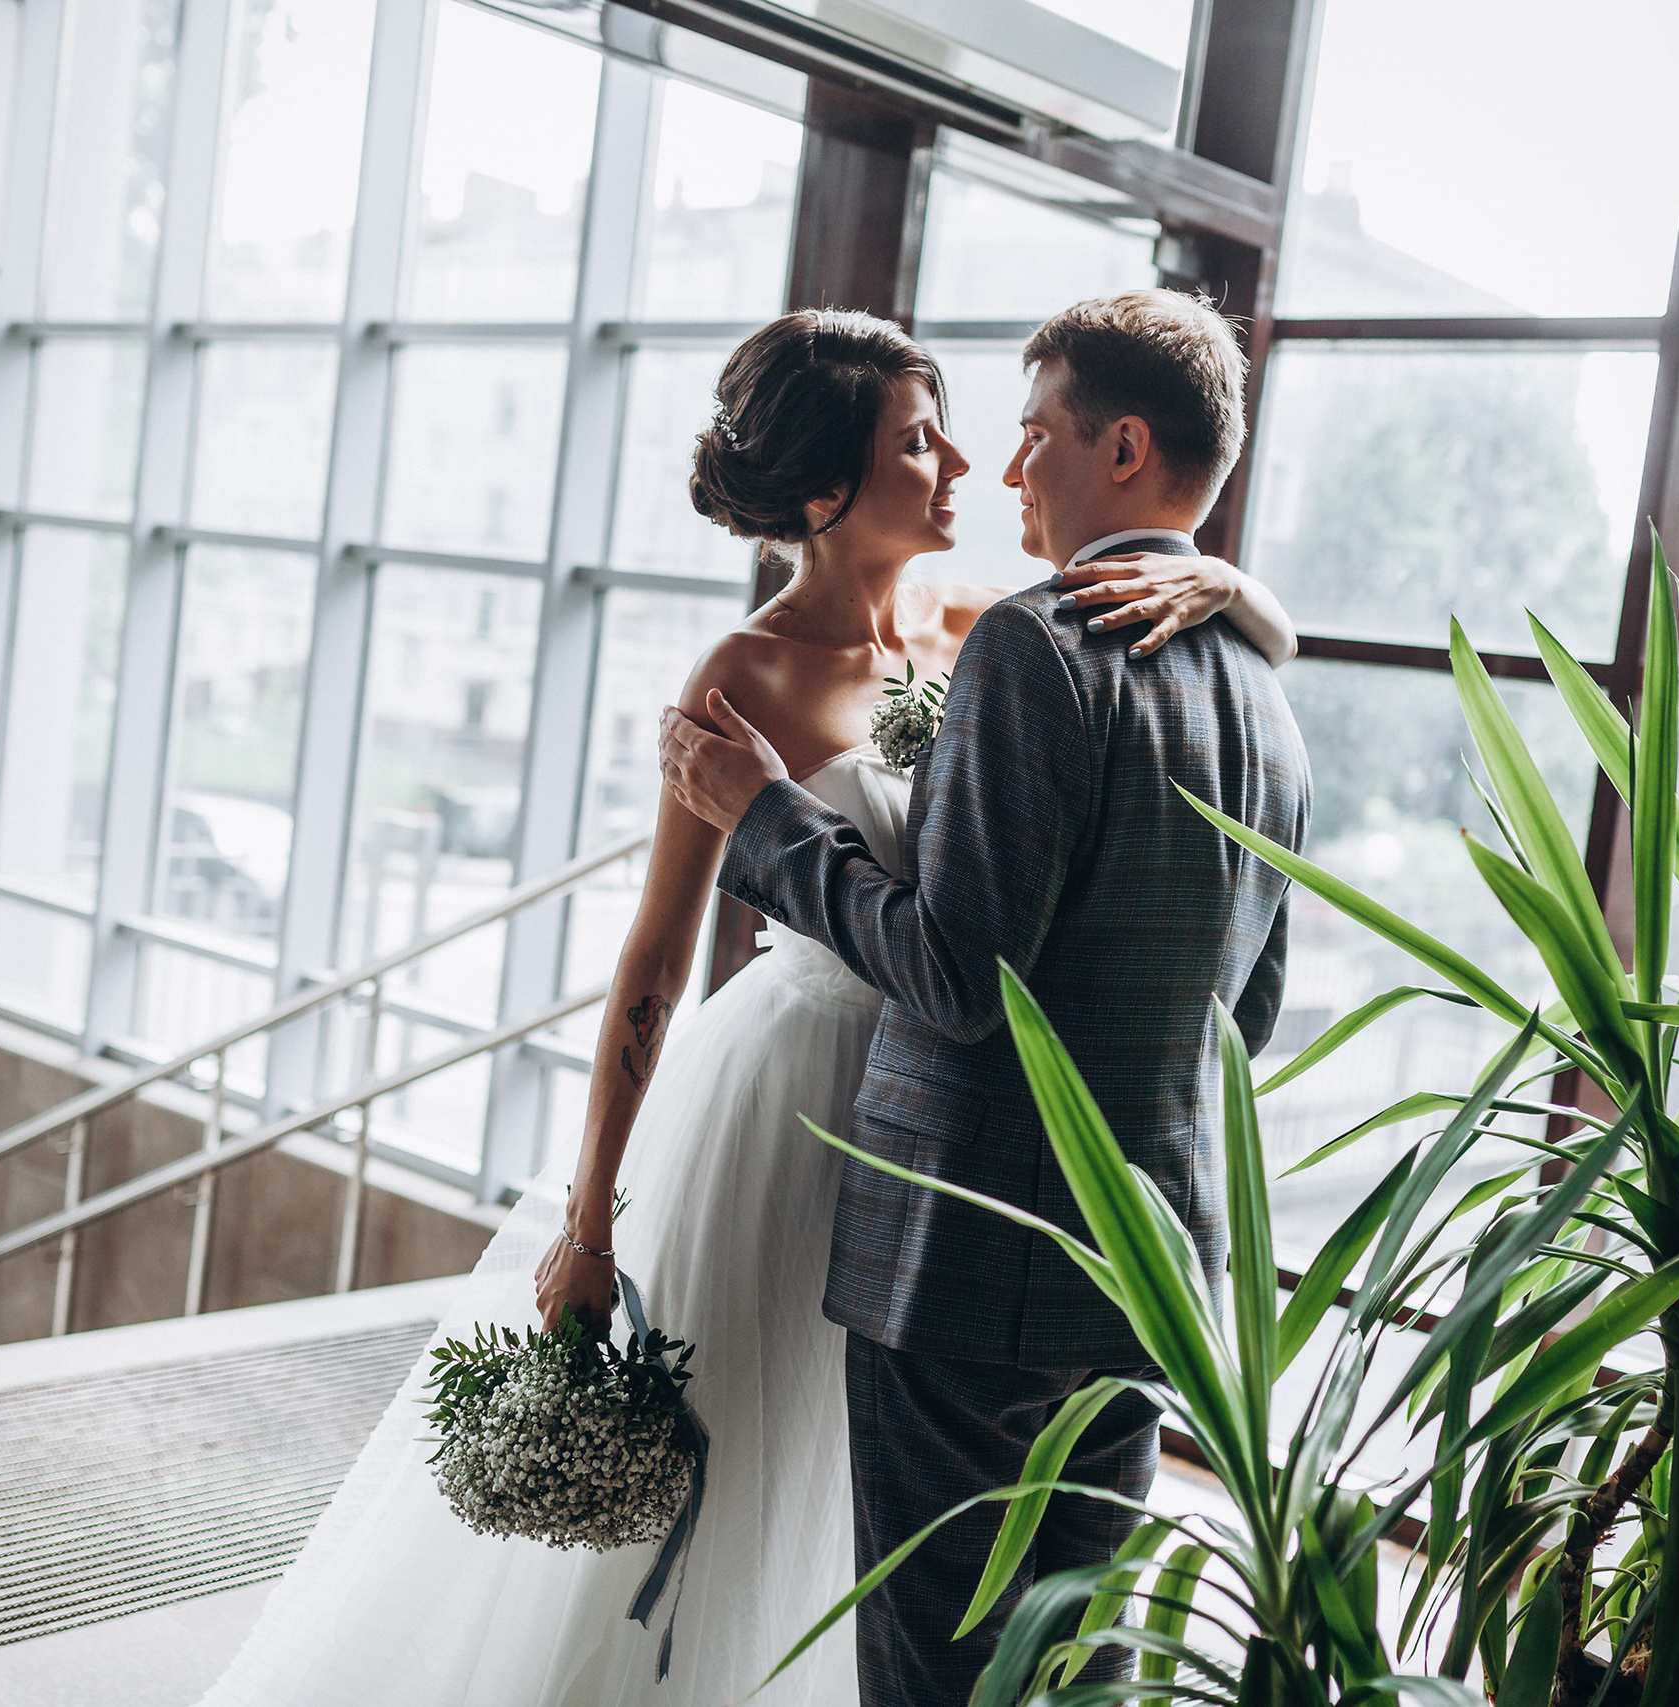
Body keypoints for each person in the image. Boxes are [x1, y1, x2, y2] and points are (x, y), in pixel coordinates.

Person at [189, 304, 1296, 1707]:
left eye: (985, 430)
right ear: (827, 489)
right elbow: (655, 963)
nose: (973, 462)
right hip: (795, 1123)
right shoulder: (745, 675)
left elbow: (990, 936)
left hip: (946, 1160)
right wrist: (587, 1225)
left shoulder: (983, 653)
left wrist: (1239, 593)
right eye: (919, 439)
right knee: (761, 1508)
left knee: (897, 1557)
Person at [658, 290, 1308, 1707]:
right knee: (1076, 1665)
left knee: (936, 1668)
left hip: (970, 1267)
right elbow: (1243, 1018)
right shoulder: (1264, 688)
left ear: (1123, 447)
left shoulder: (1032, 645)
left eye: (1028, 434)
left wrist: (771, 823)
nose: (1001, 469)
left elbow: (960, 975)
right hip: (1143, 1269)